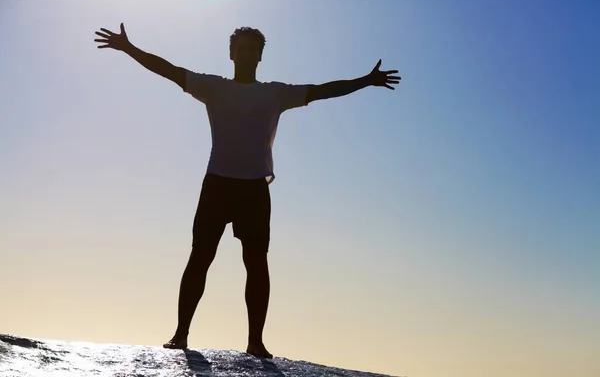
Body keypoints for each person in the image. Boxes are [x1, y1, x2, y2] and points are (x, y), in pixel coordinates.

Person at [94, 23, 401, 358]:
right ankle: (181, 334)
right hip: (217, 184)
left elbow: (322, 90)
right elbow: (169, 70)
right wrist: (129, 48)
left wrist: (365, 81)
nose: (245, 53)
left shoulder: (275, 93)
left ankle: (256, 342)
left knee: (256, 263)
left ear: (260, 56)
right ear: (231, 54)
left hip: (254, 188)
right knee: (200, 257)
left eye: (252, 49)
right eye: (240, 48)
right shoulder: (212, 87)